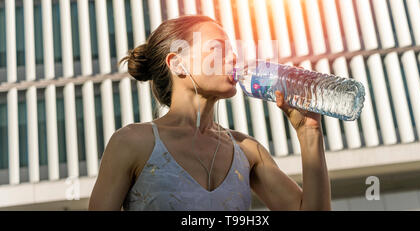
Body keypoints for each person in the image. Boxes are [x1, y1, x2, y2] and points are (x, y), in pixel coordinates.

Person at [88, 15, 331, 211]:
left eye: (232, 51)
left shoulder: (248, 151)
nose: (234, 57)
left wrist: (309, 132)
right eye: (218, 49)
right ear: (177, 64)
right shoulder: (131, 143)